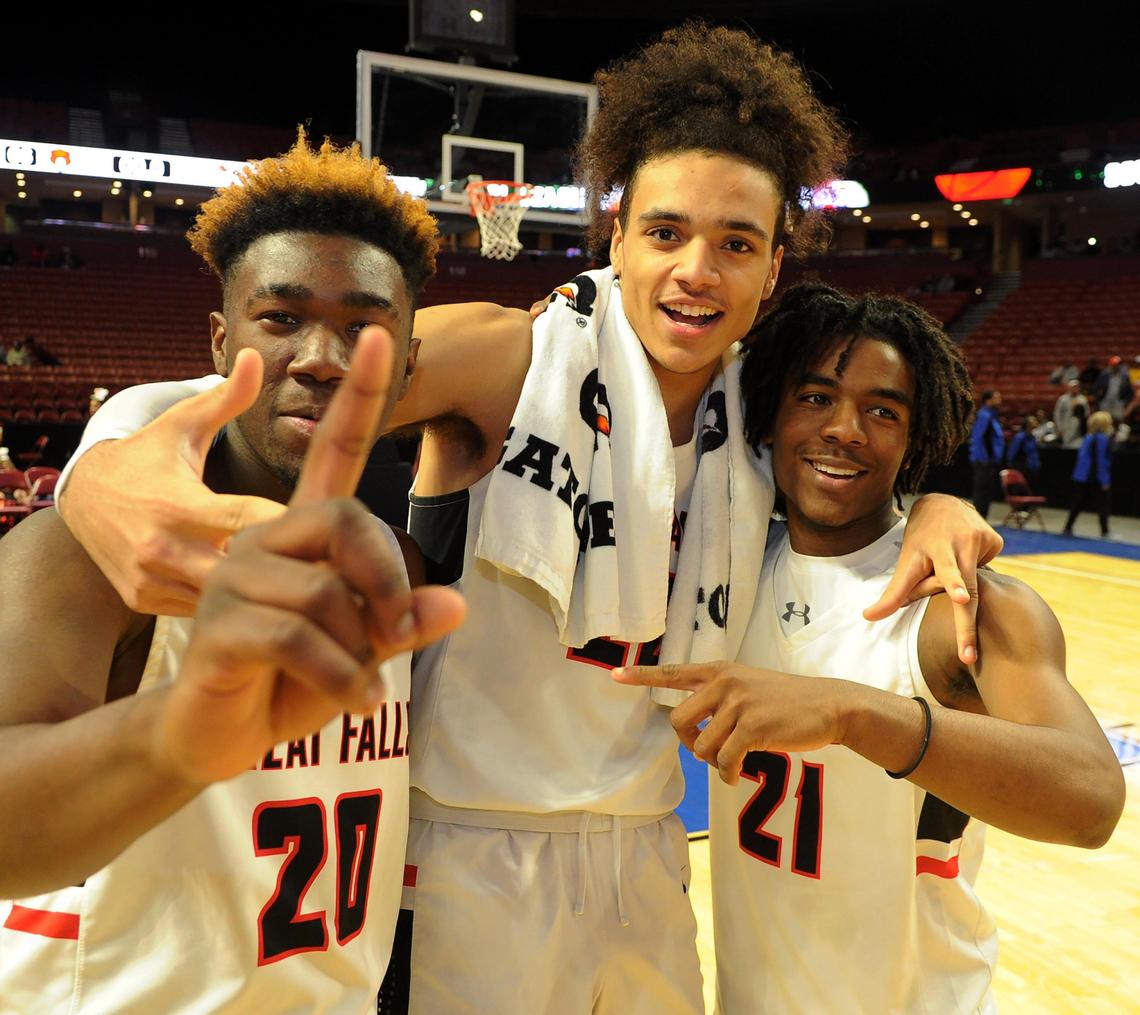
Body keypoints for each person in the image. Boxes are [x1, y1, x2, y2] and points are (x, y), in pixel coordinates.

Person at [52, 26, 1000, 1013]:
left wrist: (936, 503)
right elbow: (282, 387)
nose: (697, 272)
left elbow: (855, 486)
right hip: (468, 850)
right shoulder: (510, 360)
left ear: (771, 270)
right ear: (618, 233)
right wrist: (105, 466)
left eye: (736, 244)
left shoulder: (757, 418)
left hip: (645, 848)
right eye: (668, 233)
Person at [0, 136, 465, 1012]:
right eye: (281, 318)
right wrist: (172, 737)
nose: (322, 355)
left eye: (363, 326)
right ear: (221, 342)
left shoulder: (391, 569)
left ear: (406, 367)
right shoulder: (86, 551)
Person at [616, 282, 1124, 1013]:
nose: (846, 428)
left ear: (915, 438)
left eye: (882, 410)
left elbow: (1092, 800)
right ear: (769, 415)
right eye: (815, 398)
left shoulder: (963, 606)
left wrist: (853, 713)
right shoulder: (720, 569)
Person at [1062, 410, 1115, 537]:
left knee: (1077, 503)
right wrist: (1104, 480)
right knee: (1103, 505)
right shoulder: (1103, 440)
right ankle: (1105, 531)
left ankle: (1068, 527)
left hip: (1081, 476)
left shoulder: (1087, 438)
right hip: (1094, 476)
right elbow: (1101, 462)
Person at [968, 388, 1003, 519]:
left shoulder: (992, 416)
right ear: (988, 401)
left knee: (986, 492)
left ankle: (982, 518)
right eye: (996, 398)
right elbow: (979, 438)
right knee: (981, 492)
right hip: (983, 461)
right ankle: (978, 519)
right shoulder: (985, 416)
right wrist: (986, 459)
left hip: (988, 461)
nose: (999, 400)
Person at [1054, 378, 1088, 446]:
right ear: (1069, 388)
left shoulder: (1083, 399)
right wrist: (1059, 428)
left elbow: (1086, 413)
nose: (1075, 389)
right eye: (1073, 387)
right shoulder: (1063, 399)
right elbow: (1057, 414)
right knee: (1066, 444)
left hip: (1079, 428)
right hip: (1065, 426)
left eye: (1076, 387)